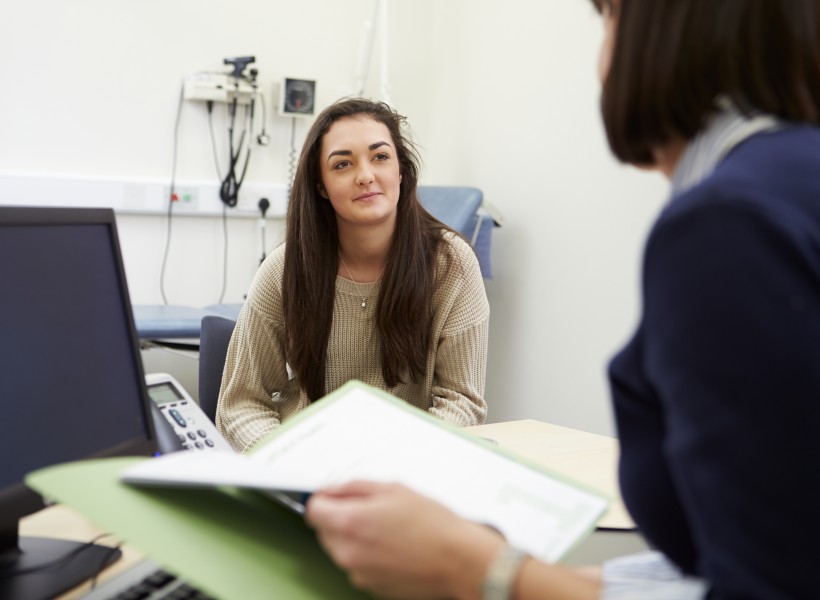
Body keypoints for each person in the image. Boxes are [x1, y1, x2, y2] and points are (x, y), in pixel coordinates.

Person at [305, 0, 820, 598]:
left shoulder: (730, 225)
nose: (602, 58)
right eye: (343, 164)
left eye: (609, 20)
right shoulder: (782, 191)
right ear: (321, 185)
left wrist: (486, 573)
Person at [217, 98, 489, 452]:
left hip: (407, 467)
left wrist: (398, 461)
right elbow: (240, 405)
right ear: (321, 187)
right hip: (305, 467)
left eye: (380, 157)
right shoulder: (285, 269)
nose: (365, 175)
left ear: (402, 171)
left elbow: (462, 402)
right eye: (343, 164)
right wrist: (287, 460)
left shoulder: (452, 264)